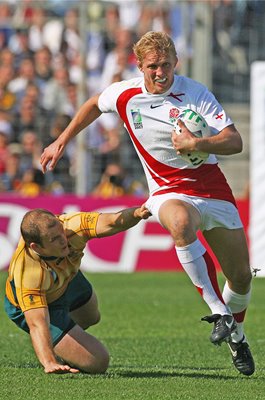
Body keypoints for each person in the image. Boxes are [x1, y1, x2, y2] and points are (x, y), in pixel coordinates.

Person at [40, 31, 254, 376]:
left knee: (241, 277)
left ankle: (236, 335)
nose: (160, 73)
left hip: (212, 189)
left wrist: (197, 143)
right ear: (139, 66)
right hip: (167, 190)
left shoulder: (196, 93)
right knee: (180, 223)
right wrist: (61, 141)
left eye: (166, 65)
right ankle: (219, 311)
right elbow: (94, 103)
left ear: (175, 63)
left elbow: (234, 141)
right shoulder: (125, 94)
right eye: (152, 66)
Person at [4, 205, 151, 374]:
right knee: (98, 362)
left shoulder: (71, 225)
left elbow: (112, 222)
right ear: (37, 247)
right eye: (54, 239)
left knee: (92, 317)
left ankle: (62, 339)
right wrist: (49, 361)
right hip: (44, 303)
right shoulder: (28, 273)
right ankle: (56, 343)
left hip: (68, 279)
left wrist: (137, 213)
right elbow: (37, 323)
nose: (63, 240)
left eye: (61, 232)